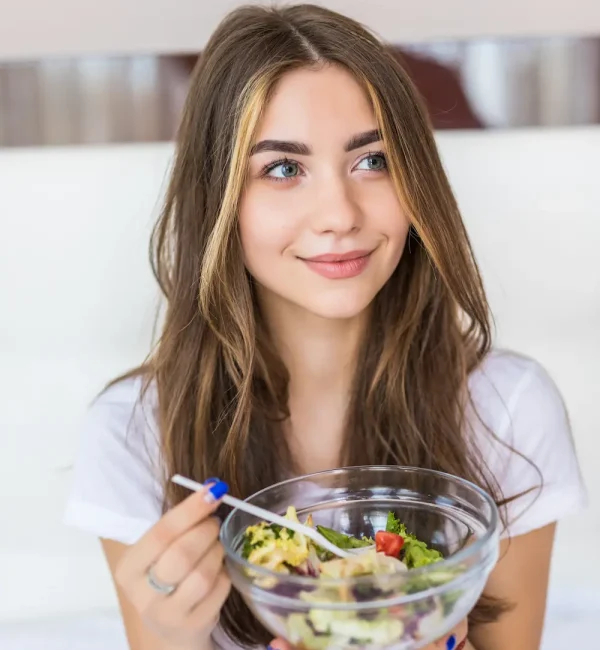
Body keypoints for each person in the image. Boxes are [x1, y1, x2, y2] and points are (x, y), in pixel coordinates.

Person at [64, 5, 587, 650]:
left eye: (373, 161)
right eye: (283, 169)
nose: (339, 213)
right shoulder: (135, 433)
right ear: (218, 199)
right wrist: (175, 638)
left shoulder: (509, 409)